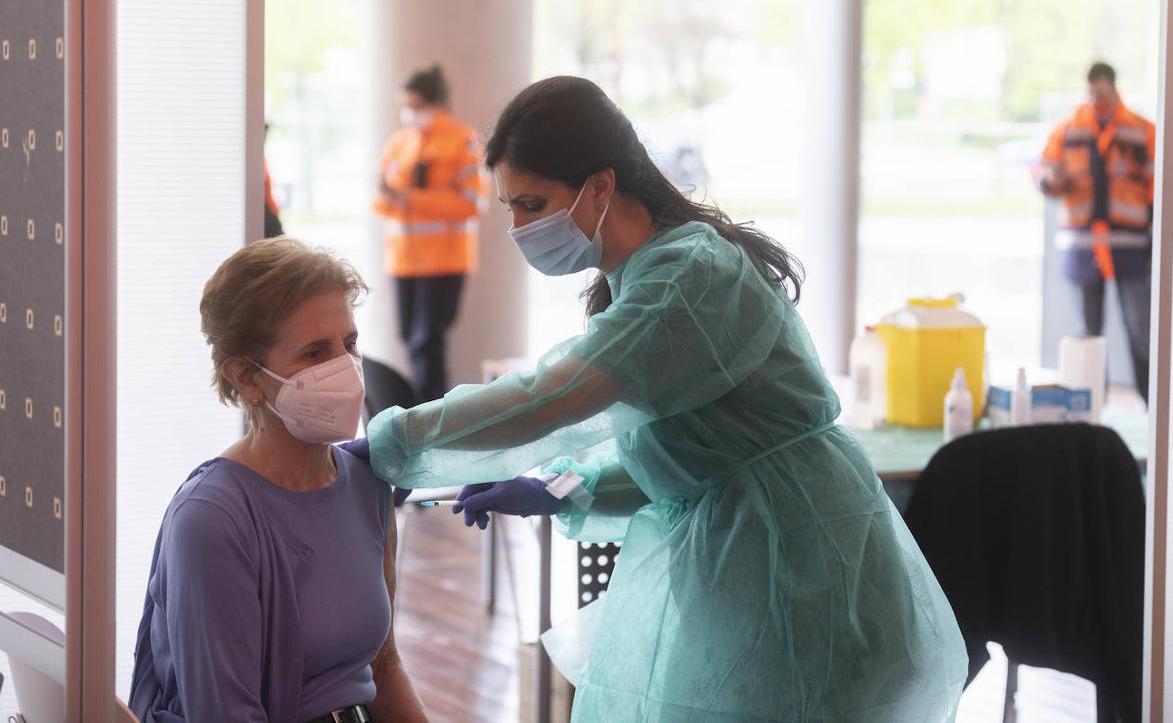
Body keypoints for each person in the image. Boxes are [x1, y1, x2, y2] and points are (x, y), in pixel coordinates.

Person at [365, 77, 968, 722]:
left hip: (810, 584)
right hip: (759, 574)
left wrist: (398, 439)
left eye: (533, 204)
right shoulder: (645, 276)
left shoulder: (688, 275)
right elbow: (701, 459)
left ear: (600, 186)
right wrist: (572, 487)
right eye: (511, 207)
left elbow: (552, 398)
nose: (519, 229)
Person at [128, 238, 428, 723]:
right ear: (246, 377)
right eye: (314, 353)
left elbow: (383, 664)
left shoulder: (368, 484)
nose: (345, 368)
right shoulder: (212, 520)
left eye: (349, 344)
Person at [1034, 62, 1155, 402]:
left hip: (1128, 247)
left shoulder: (1141, 131)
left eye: (1102, 94)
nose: (1096, 101)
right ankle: (1092, 410)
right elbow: (1044, 170)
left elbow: (1156, 186)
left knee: (1142, 330)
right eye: (1091, 95)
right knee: (1087, 336)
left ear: (1114, 90)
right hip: (1083, 247)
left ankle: (1152, 409)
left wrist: (1154, 243)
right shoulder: (1068, 130)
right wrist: (1049, 181)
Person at [372, 64, 485, 402]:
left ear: (436, 103)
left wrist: (410, 198)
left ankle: (430, 416)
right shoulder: (398, 144)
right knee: (410, 339)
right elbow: (379, 203)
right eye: (405, 105)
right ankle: (420, 414)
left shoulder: (461, 140)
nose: (410, 113)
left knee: (428, 344)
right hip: (403, 260)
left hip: (443, 260)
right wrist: (393, 198)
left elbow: (469, 204)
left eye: (416, 105)